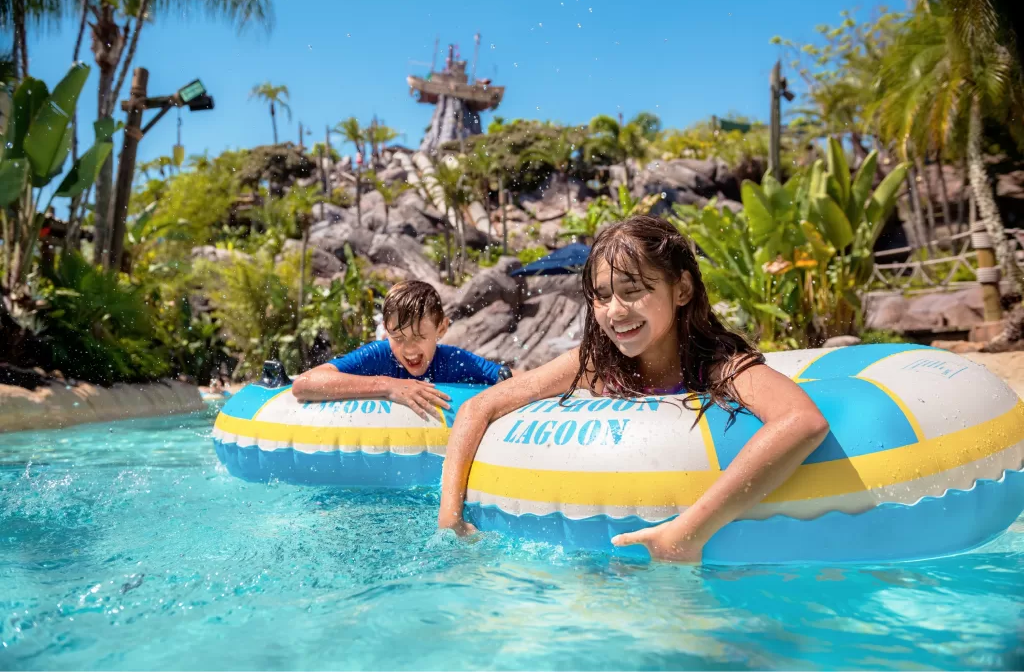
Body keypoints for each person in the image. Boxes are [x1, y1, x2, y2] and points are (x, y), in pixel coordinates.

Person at [437, 215, 829, 563]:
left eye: (633, 289)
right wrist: (450, 518)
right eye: (602, 296)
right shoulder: (597, 365)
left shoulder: (715, 365)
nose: (616, 310)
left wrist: (688, 531)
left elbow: (802, 420)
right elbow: (478, 408)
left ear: (682, 290)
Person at [292, 280, 510, 418]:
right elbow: (304, 384)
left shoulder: (454, 360)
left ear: (441, 328)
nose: (409, 349)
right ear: (386, 330)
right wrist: (388, 386)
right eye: (397, 338)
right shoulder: (378, 355)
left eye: (419, 336)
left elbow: (511, 379)